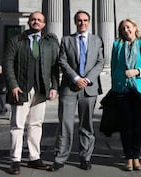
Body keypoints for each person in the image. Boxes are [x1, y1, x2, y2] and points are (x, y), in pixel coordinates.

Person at [3, 11, 59, 175]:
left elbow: (55, 66)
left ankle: (34, 157)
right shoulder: (17, 40)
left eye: (39, 20)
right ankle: (15, 160)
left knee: (36, 125)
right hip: (20, 89)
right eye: (33, 19)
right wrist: (13, 85)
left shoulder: (49, 43)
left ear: (44, 24)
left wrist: (54, 86)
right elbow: (7, 63)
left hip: (40, 90)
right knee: (17, 126)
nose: (36, 22)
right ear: (29, 22)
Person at [47, 11, 104, 172]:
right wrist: (75, 78)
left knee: (87, 125)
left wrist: (87, 79)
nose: (82, 23)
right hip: (69, 88)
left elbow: (100, 62)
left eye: (85, 20)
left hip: (89, 88)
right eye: (79, 21)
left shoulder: (96, 40)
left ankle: (85, 157)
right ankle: (60, 158)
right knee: (65, 124)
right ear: (75, 22)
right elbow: (62, 61)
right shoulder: (66, 40)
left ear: (89, 22)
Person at [110, 18, 141, 171]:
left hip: (138, 90)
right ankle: (128, 157)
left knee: (137, 126)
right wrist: (116, 85)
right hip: (121, 91)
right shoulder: (117, 45)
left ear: (135, 27)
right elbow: (114, 66)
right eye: (123, 28)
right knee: (125, 126)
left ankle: (136, 156)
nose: (126, 30)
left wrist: (137, 72)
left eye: (128, 27)